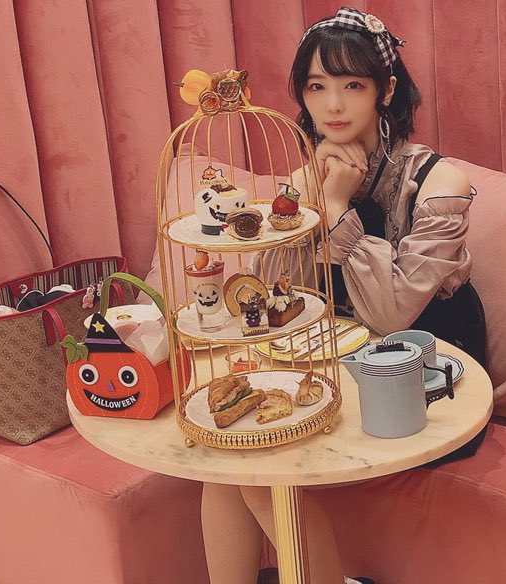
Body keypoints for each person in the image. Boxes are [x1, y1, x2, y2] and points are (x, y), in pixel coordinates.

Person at [202, 8, 487, 583]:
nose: (332, 105)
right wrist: (307, 195)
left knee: (258, 476)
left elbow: (392, 314)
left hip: (427, 377)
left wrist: (334, 209)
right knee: (223, 465)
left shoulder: (438, 183)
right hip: (346, 359)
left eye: (352, 85)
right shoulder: (309, 175)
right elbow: (274, 299)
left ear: (386, 90)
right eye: (316, 86)